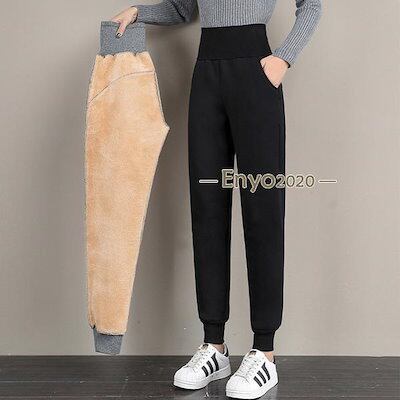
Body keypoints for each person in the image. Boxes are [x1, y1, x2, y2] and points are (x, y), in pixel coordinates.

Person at [111, 1, 321, 398]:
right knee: (206, 209)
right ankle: (214, 346)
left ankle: (265, 352)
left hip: (256, 74)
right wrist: (139, 12)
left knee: (262, 211)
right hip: (207, 73)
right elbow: (182, 8)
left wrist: (284, 58)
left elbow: (311, 5)